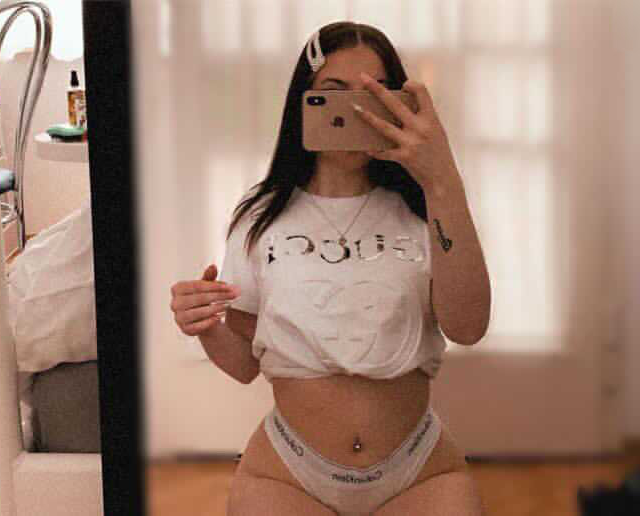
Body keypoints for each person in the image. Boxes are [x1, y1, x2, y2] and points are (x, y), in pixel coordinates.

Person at [169, 21, 491, 515]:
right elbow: (245, 364)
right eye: (334, 93)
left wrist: (441, 177)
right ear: (304, 101)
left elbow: (467, 327)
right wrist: (204, 327)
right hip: (288, 475)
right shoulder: (260, 217)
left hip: (419, 472)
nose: (355, 111)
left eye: (374, 94)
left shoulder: (426, 209)